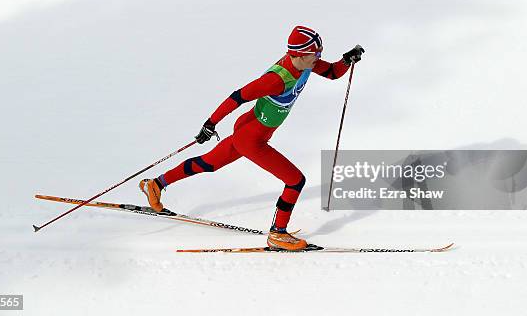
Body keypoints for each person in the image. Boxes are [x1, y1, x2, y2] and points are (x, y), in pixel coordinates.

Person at [140, 26, 364, 250]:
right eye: (315, 54)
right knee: (295, 181)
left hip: (250, 129)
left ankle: (156, 184)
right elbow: (238, 96)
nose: (319, 58)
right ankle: (278, 234)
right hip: (252, 139)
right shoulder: (276, 80)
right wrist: (211, 123)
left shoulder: (306, 63)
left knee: (207, 164)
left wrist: (346, 60)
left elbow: (333, 73)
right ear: (298, 54)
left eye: (320, 52)